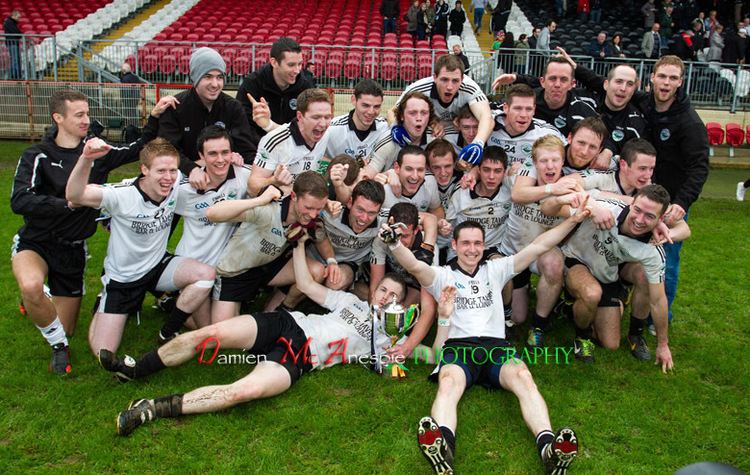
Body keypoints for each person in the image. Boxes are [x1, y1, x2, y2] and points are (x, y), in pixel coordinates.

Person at [100, 231, 409, 437]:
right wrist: (300, 247)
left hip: (302, 357)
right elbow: (305, 285)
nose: (385, 297)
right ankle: (135, 368)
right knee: (210, 335)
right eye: (383, 290)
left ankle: (151, 408)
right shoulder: (349, 300)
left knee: (240, 392)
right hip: (288, 324)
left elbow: (399, 369)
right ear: (374, 289)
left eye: (393, 296)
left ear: (400, 305)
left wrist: (397, 357)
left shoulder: (387, 339)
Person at [385, 215, 588, 475]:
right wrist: (393, 244)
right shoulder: (441, 276)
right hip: (459, 347)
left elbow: (538, 246)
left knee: (524, 377)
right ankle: (443, 449)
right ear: (455, 246)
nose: (472, 249)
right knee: (448, 383)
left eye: (477, 244)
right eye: (466, 243)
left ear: (483, 246)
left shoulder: (496, 269)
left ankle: (549, 449)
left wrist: (573, 220)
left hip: (496, 347)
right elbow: (413, 265)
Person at [10, 90, 169, 374]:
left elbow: (138, 147)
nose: (86, 120)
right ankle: (59, 348)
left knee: (66, 325)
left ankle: (41, 306)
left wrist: (154, 118)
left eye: (87, 113)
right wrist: (65, 204)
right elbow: (19, 200)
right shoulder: (38, 155)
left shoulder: (99, 153)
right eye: (79, 115)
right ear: (58, 117)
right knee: (32, 286)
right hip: (36, 242)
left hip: (72, 249)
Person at [65, 138, 216, 353]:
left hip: (157, 267)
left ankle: (169, 330)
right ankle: (103, 306)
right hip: (123, 279)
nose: (168, 178)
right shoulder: (123, 194)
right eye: (161, 171)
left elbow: (213, 171)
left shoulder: (176, 185)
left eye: (173, 170)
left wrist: (236, 159)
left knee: (205, 275)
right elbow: (74, 195)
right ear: (144, 169)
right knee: (103, 353)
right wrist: (85, 158)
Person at [542, 185, 685, 370]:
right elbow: (547, 208)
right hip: (576, 260)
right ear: (631, 203)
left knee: (611, 344)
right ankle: (582, 338)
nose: (640, 220)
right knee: (591, 294)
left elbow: (658, 300)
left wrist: (663, 344)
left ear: (660, 220)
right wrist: (592, 208)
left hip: (607, 274)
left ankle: (572, 307)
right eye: (638, 210)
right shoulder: (607, 208)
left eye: (650, 216)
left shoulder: (653, 249)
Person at [206, 171, 335, 321]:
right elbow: (212, 213)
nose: (313, 214)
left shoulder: (310, 219)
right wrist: (258, 200)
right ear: (293, 196)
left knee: (317, 271)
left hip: (268, 267)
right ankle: (199, 300)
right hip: (236, 272)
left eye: (318, 208)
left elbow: (321, 239)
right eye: (309, 208)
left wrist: (332, 261)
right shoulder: (268, 209)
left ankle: (279, 310)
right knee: (222, 330)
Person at [640, 55, 709, 324]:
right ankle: (632, 309)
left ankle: (660, 320)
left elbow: (699, 167)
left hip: (669, 205)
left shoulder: (690, 122)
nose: (666, 82)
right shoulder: (644, 104)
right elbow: (605, 86)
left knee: (665, 262)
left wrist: (682, 202)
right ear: (652, 77)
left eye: (673, 78)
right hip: (638, 198)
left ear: (680, 82)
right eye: (662, 76)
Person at [157, 47, 257, 188]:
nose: (215, 84)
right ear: (195, 77)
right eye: (208, 77)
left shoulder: (233, 107)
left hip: (226, 186)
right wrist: (191, 168)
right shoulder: (175, 107)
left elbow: (247, 150)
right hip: (185, 184)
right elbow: (167, 149)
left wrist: (236, 156)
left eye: (219, 77)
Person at [390, 54, 494, 167]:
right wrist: (394, 127)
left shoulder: (470, 88)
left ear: (462, 79)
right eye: (444, 79)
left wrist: (478, 143)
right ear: (434, 77)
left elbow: (487, 117)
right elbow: (392, 112)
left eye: (455, 81)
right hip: (432, 130)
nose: (449, 86)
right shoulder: (420, 88)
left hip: (457, 130)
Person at [249, 88, 333, 196]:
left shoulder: (327, 132)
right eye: (316, 117)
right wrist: (274, 180)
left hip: (306, 202)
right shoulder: (275, 141)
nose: (323, 124)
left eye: (327, 117)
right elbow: (252, 188)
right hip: (277, 204)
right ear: (299, 116)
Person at [492, 56, 599, 138]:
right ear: (542, 82)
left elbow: (603, 134)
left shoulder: (582, 111)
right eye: (552, 78)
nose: (557, 84)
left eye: (563, 79)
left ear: (572, 84)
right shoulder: (527, 101)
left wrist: (607, 151)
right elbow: (490, 110)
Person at [236, 37, 314, 145]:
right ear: (274, 62)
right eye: (291, 65)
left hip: (293, 150)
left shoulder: (306, 87)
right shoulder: (252, 84)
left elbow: (307, 128)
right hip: (258, 150)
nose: (297, 70)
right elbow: (242, 128)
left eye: (300, 64)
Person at [487, 84, 566, 166]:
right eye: (518, 108)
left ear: (534, 110)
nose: (523, 115)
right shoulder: (488, 123)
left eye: (529, 109)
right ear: (506, 108)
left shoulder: (546, 133)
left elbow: (571, 156)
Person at [365, 90, 437, 175]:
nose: (419, 118)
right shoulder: (388, 143)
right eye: (412, 113)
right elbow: (365, 178)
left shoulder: (433, 140)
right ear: (402, 116)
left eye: (424, 113)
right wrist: (387, 176)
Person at [325, 79, 388, 165]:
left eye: (376, 107)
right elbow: (315, 155)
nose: (371, 112)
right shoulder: (332, 129)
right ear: (354, 100)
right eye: (365, 105)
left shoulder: (385, 128)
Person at [119, 62, 143, 127]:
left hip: (128, 98)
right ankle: (135, 126)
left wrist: (123, 99)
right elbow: (140, 87)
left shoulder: (124, 79)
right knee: (133, 112)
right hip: (136, 98)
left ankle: (131, 127)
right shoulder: (135, 77)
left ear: (123, 71)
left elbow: (125, 91)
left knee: (129, 113)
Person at [3, 9, 22, 79]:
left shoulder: (11, 22)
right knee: (15, 59)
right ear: (13, 16)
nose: (19, 19)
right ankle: (15, 76)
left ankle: (16, 75)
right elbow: (16, 32)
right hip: (12, 43)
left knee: (16, 59)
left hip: (13, 43)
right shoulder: (9, 22)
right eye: (18, 17)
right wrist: (20, 34)